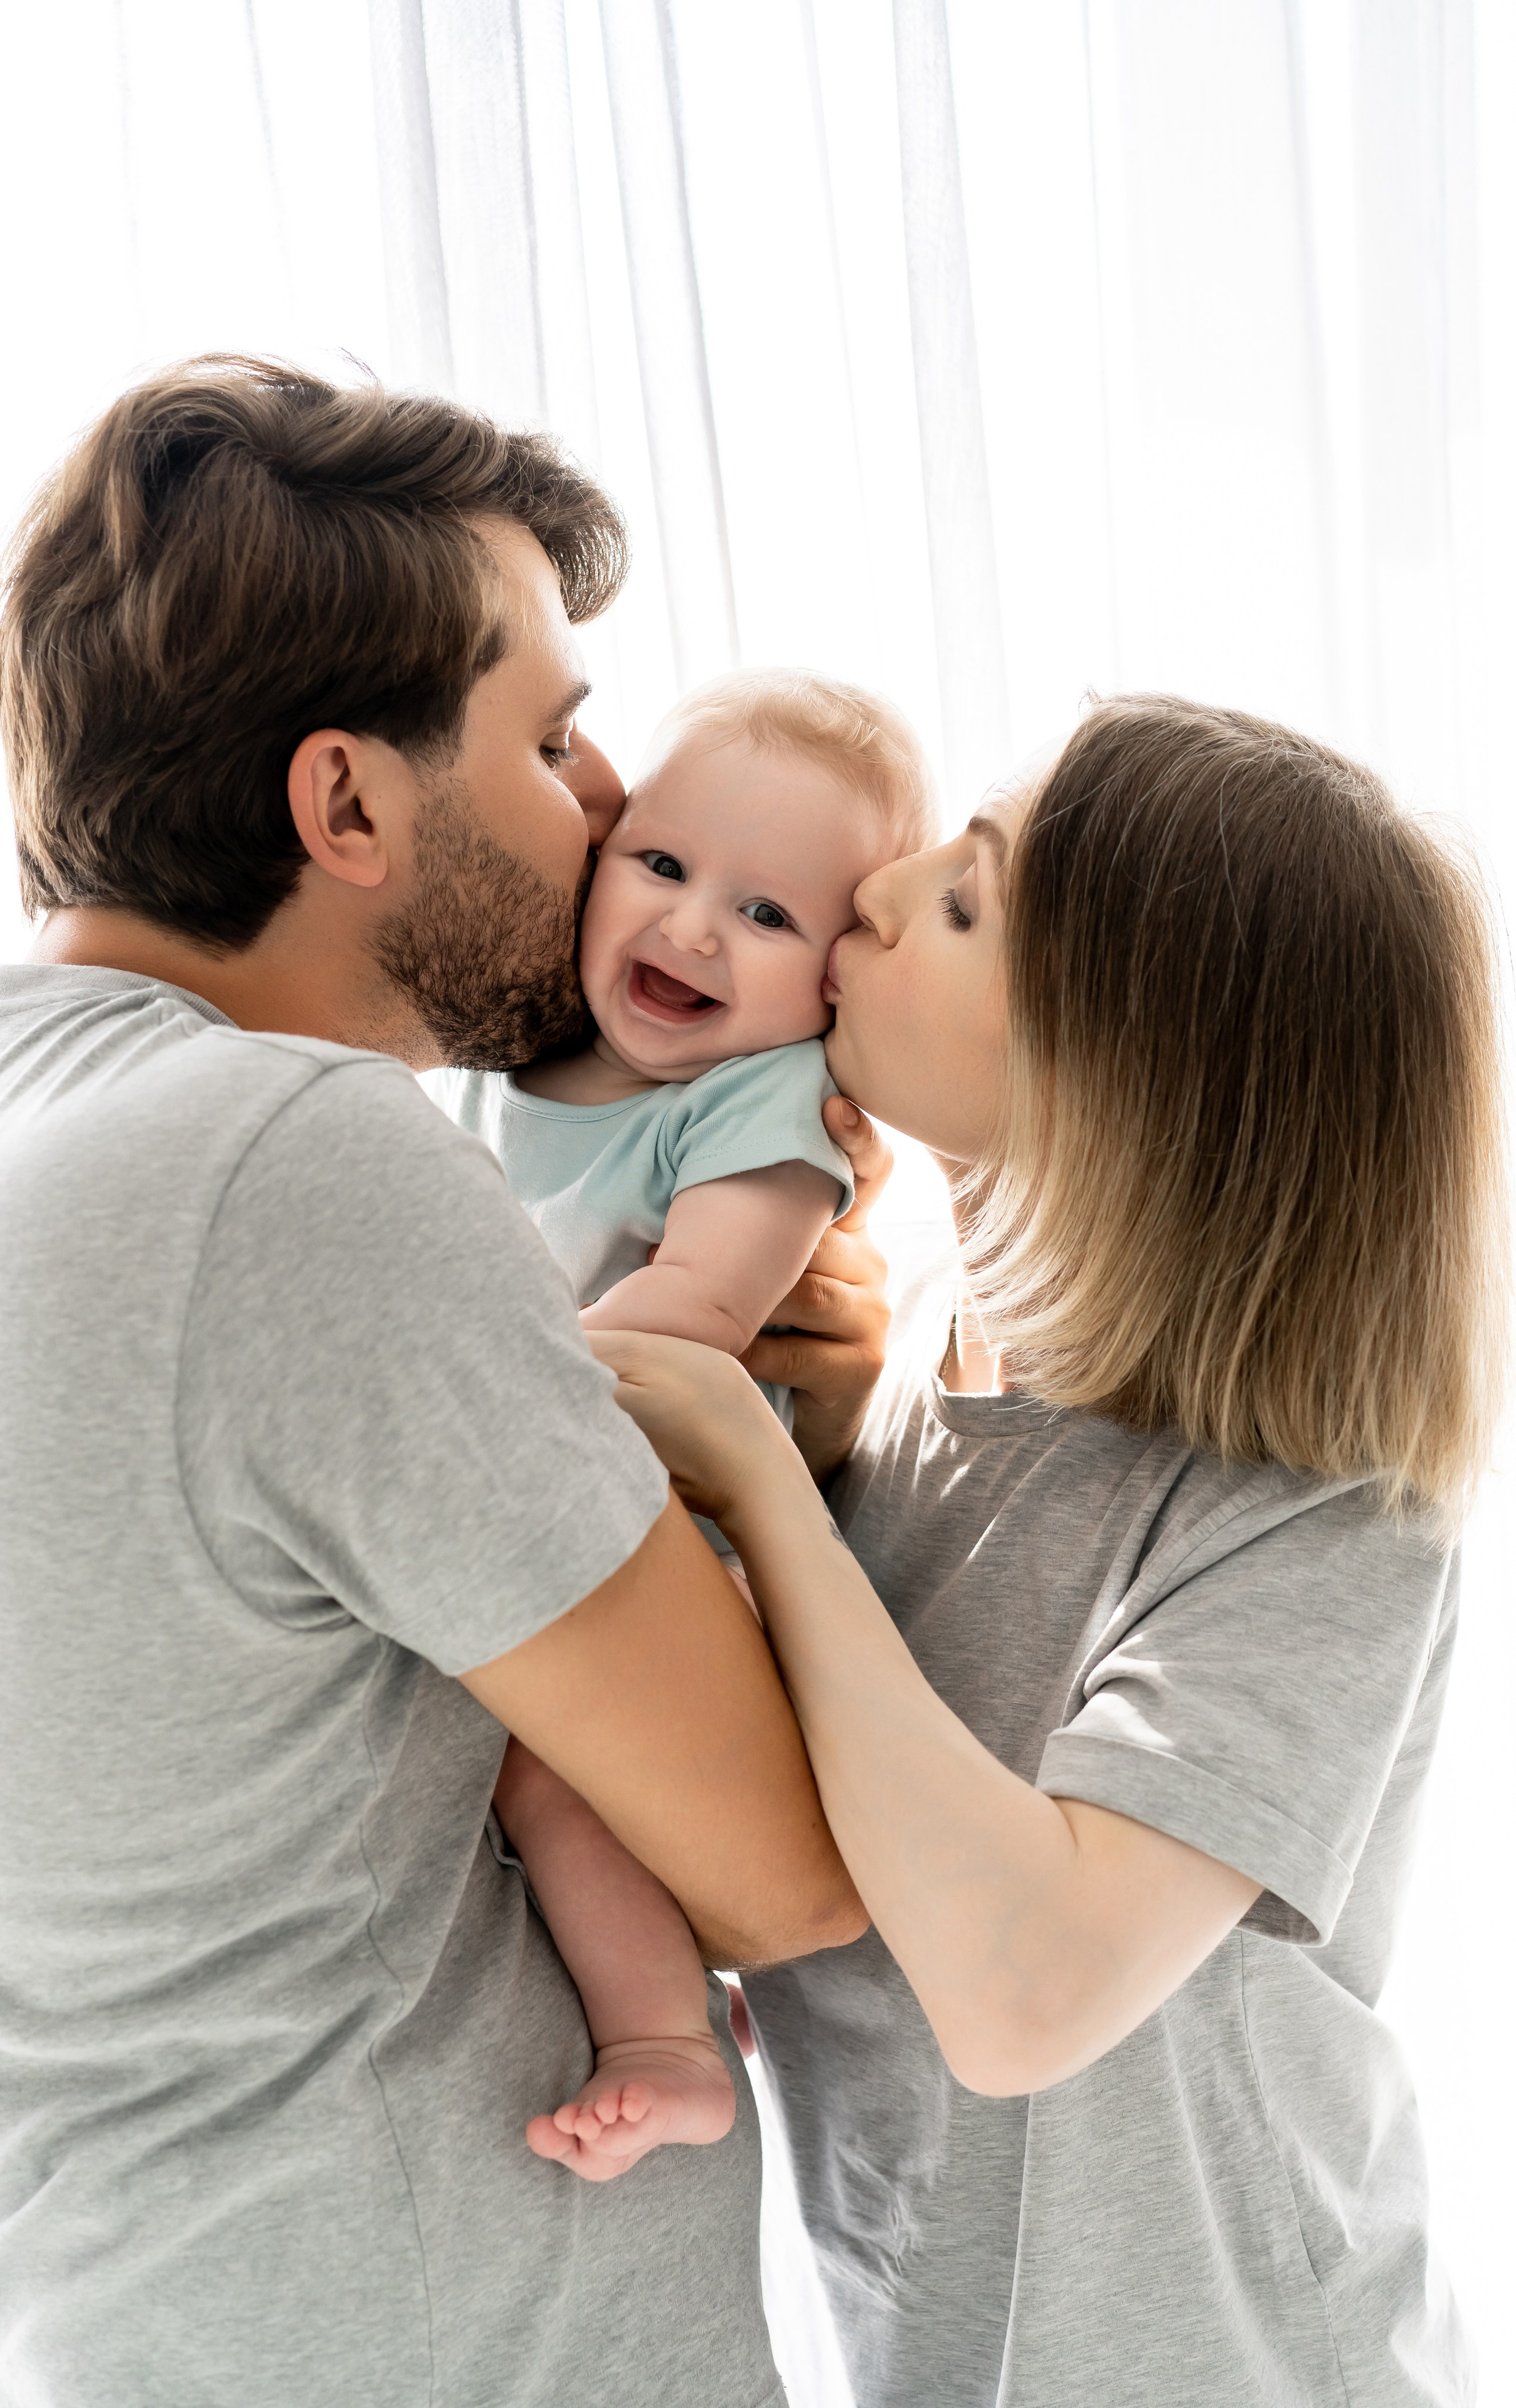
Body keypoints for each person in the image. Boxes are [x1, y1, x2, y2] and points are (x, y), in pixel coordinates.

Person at [0, 356, 882, 2408]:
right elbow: (784, 1871)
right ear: (347, 802)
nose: (608, 803)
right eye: (551, 735)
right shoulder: (297, 1168)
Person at [594, 696, 1508, 2407]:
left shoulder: (1324, 1516)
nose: (878, 890)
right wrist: (811, 1464)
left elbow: (1023, 1996)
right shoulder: (900, 1372)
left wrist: (768, 1495)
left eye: (960, 902)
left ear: (1130, 1084)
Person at [445, 669, 936, 2178]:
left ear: (833, 988)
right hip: (535, 1506)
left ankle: (666, 2038)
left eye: (766, 914)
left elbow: (695, 1314)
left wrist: (440, 1380)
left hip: (679, 1549)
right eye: (661, 864)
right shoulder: (515, 1063)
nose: (693, 928)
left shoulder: (762, 1103)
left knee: (544, 1776)